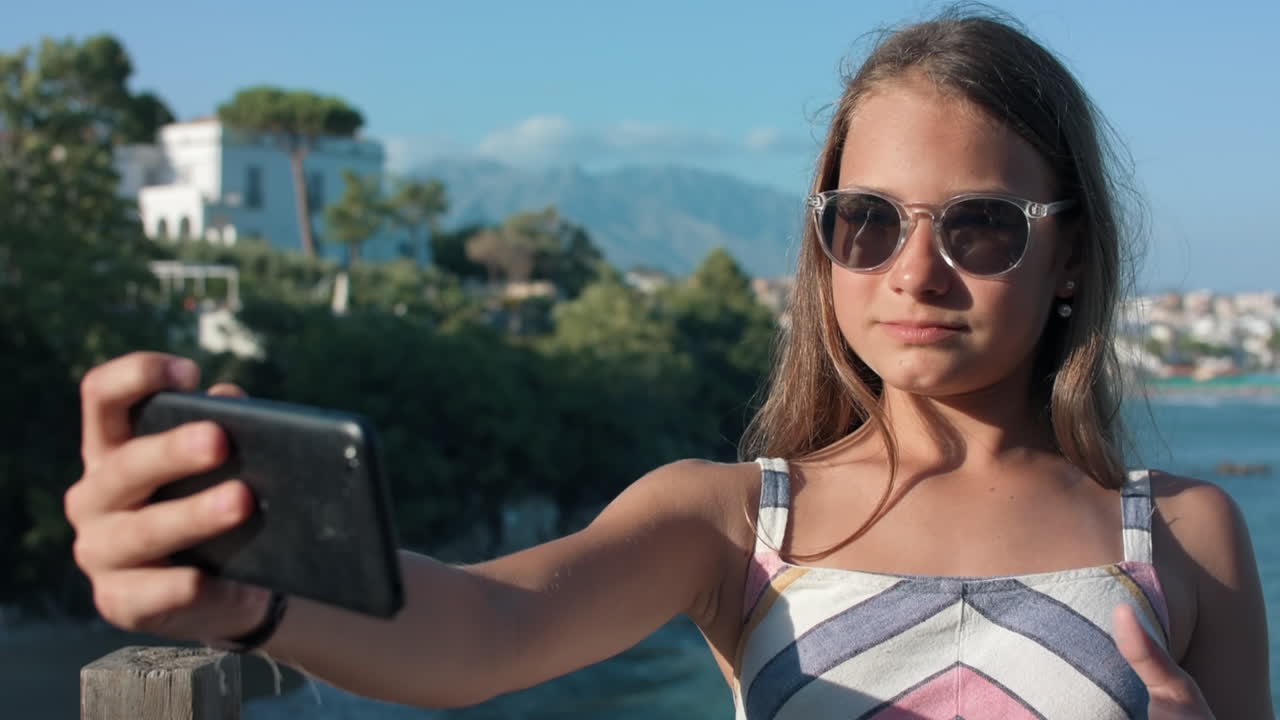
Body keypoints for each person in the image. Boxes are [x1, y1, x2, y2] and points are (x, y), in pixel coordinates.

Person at [66, 10, 1271, 720]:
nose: (914, 272)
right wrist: (255, 589)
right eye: (865, 221)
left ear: (1068, 257)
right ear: (823, 243)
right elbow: (485, 629)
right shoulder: (733, 516)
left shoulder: (1181, 537)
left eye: (979, 226)